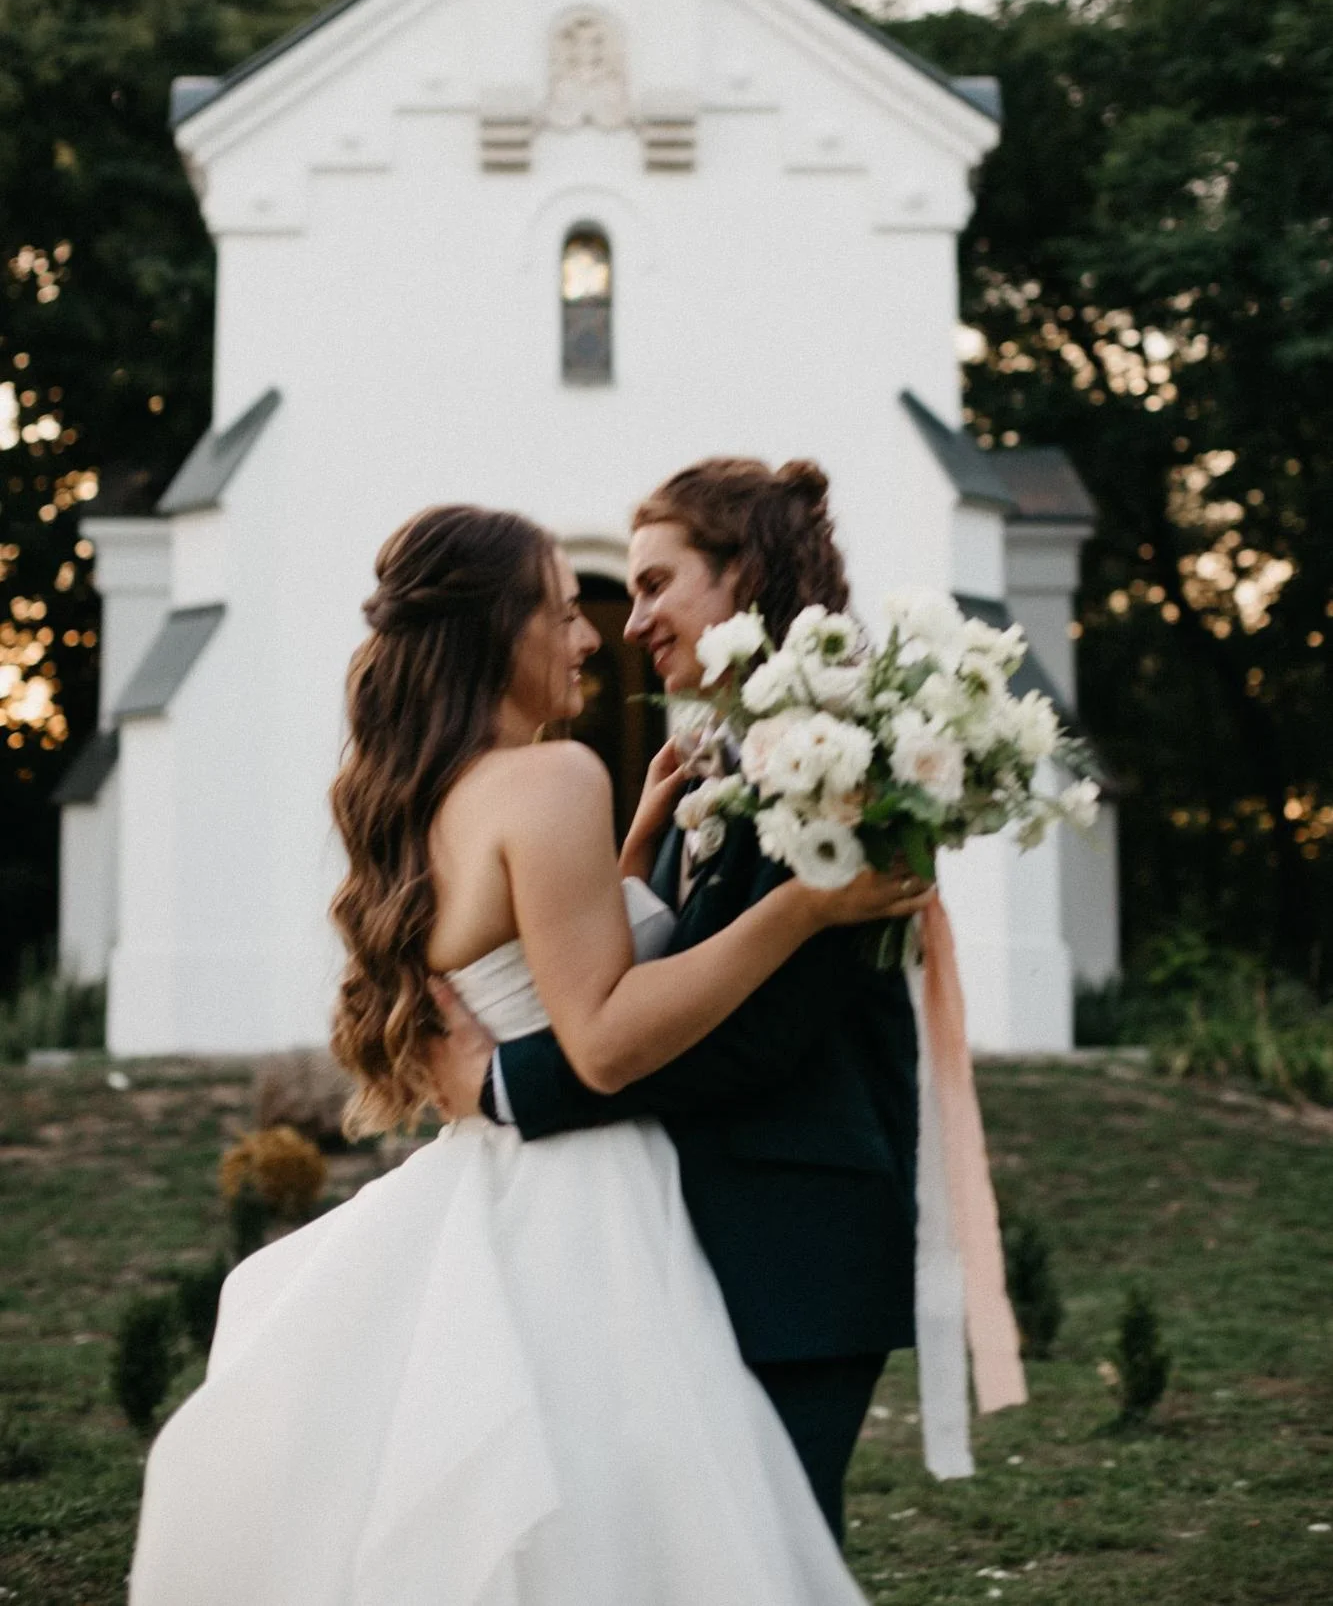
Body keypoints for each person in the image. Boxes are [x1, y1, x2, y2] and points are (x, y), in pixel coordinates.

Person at [128, 502, 929, 1606]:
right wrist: (802, 906)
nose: (591, 633)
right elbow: (600, 1040)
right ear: (494, 631)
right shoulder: (554, 778)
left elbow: (548, 958)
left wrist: (635, 852)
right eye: (560, 612)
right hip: (585, 1203)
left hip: (487, 1186)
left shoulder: (428, 791)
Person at [429, 459, 924, 1540]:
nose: (630, 619)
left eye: (655, 583)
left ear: (743, 573)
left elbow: (748, 1037)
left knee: (769, 1555)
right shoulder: (721, 759)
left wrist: (507, 1085)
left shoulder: (840, 763)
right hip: (697, 1232)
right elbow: (659, 974)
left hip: (796, 1238)